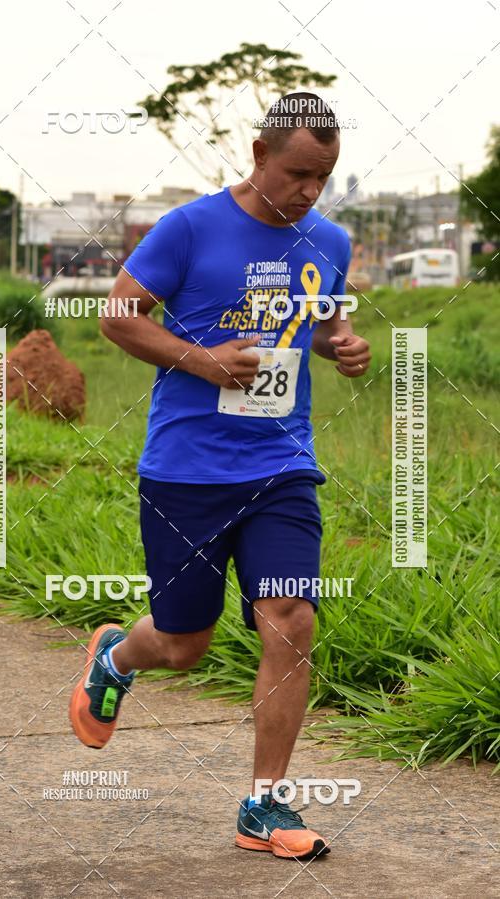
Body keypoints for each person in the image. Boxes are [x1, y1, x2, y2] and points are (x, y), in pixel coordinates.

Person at [69, 91, 371, 861]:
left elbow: (323, 319)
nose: (311, 190)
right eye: (298, 173)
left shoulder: (329, 239)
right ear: (260, 154)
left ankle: (263, 804)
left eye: (324, 176)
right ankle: (116, 656)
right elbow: (117, 315)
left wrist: (342, 343)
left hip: (281, 464)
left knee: (291, 618)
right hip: (187, 471)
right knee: (183, 644)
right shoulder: (190, 228)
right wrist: (202, 360)